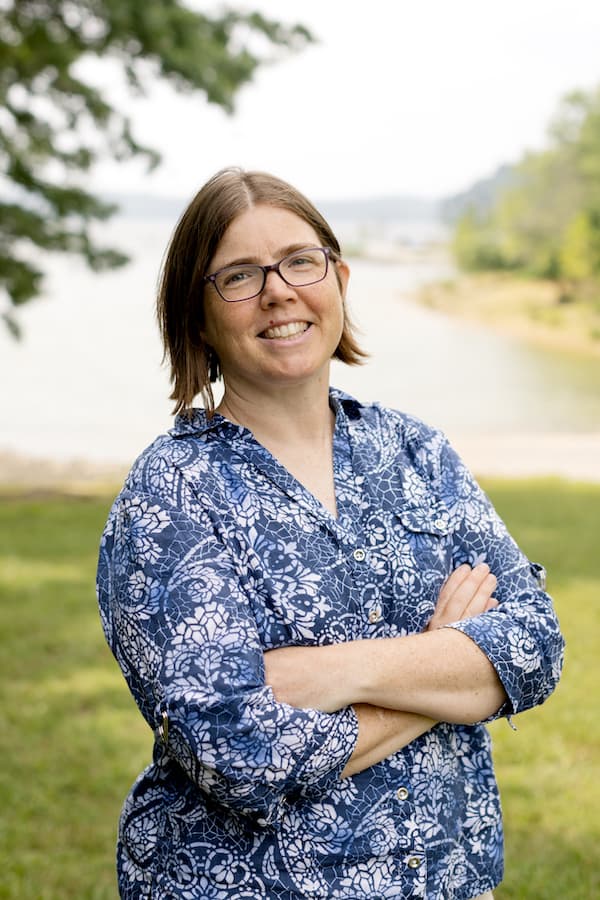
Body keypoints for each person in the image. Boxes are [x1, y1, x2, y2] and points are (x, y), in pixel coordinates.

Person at [96, 167, 564, 900]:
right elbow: (238, 751)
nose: (278, 290)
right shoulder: (171, 491)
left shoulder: (418, 453)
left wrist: (335, 672)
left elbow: (533, 647)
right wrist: (447, 665)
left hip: (447, 879)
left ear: (339, 279)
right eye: (240, 276)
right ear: (197, 315)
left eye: (299, 261)